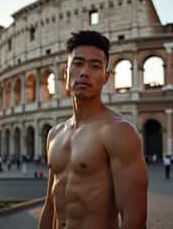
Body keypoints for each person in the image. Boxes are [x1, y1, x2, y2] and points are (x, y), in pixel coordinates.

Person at [39, 30, 148, 229]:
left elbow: (135, 219)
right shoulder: (54, 134)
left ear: (106, 77)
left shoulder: (118, 132)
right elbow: (50, 206)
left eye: (95, 66)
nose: (84, 72)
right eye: (78, 63)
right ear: (65, 73)